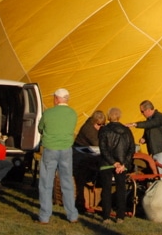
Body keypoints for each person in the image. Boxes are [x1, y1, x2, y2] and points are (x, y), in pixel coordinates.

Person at [36, 88, 79, 224]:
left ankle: (44, 216)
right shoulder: (73, 113)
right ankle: (72, 215)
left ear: (56, 98)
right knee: (67, 182)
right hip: (66, 149)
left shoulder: (48, 113)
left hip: (50, 149)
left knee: (46, 183)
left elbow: (40, 128)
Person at [97, 107, 135, 225]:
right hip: (122, 164)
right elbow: (131, 148)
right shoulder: (127, 131)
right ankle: (120, 216)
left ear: (108, 117)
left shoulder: (104, 130)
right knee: (121, 189)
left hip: (106, 164)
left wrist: (113, 162)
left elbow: (103, 148)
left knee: (106, 190)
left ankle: (106, 216)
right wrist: (123, 164)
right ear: (119, 116)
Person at [126, 100, 162, 174]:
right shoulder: (149, 120)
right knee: (156, 174)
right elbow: (149, 129)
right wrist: (144, 138)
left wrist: (135, 124)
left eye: (142, 111)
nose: (142, 114)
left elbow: (151, 124)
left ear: (148, 110)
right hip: (154, 151)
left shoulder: (159, 116)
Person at [73, 110, 106, 213]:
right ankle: (81, 201)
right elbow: (96, 143)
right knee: (82, 177)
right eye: (99, 124)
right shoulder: (88, 128)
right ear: (94, 121)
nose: (101, 127)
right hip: (81, 155)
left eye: (103, 124)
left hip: (90, 154)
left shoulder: (98, 128)